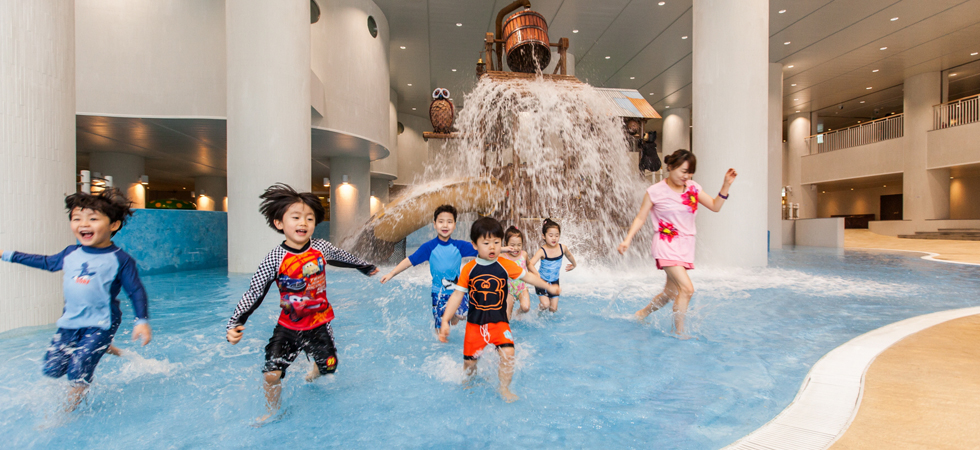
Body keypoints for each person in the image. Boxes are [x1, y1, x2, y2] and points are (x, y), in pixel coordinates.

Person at [225, 183, 378, 422]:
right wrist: (236, 322)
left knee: (329, 367)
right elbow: (255, 292)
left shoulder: (320, 248)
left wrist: (365, 267)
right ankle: (272, 411)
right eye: (295, 217)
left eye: (309, 218)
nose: (303, 223)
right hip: (289, 327)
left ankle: (317, 367)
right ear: (279, 223)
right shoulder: (275, 258)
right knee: (272, 374)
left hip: (319, 324)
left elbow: (342, 256)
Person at [0, 188, 151, 411]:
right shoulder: (70, 253)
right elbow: (46, 262)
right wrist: (7, 254)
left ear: (114, 225)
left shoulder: (120, 259)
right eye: (77, 218)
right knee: (52, 369)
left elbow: (135, 290)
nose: (83, 224)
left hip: (102, 321)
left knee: (77, 370)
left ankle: (67, 411)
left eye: (93, 219)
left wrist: (142, 321)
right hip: (71, 320)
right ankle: (102, 346)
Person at [617, 149, 737, 337]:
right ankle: (678, 332)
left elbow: (715, 206)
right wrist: (627, 239)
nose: (686, 176)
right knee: (687, 289)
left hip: (685, 247)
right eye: (683, 171)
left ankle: (642, 314)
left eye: (690, 172)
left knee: (670, 293)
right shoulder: (655, 191)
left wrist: (726, 185)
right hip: (665, 245)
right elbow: (641, 218)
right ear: (671, 167)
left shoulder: (693, 188)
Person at [438, 217, 559, 402]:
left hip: (499, 323)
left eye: (496, 242)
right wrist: (446, 320)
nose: (492, 247)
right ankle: (468, 384)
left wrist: (548, 287)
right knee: (470, 364)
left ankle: (504, 388)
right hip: (475, 326)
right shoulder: (469, 269)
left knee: (508, 353)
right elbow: (457, 296)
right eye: (486, 243)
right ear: (475, 245)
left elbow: (528, 277)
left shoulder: (505, 264)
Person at [528, 219, 577, 312]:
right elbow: (530, 264)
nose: (554, 238)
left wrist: (574, 265)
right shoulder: (542, 251)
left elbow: (569, 255)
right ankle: (537, 311)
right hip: (541, 281)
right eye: (551, 236)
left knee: (553, 309)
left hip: (554, 281)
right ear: (544, 236)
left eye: (557, 235)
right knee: (545, 305)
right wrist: (536, 274)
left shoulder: (562, 248)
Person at [500, 226, 532, 319]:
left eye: (519, 245)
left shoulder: (523, 254)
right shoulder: (503, 256)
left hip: (522, 287)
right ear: (506, 244)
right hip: (509, 290)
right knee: (507, 317)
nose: (516, 248)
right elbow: (491, 251)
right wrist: (504, 249)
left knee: (525, 307)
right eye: (512, 245)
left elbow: (529, 264)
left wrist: (536, 274)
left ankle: (518, 313)